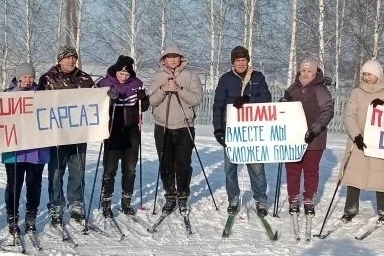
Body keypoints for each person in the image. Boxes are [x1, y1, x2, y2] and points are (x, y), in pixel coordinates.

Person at [39, 46, 94, 227]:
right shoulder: (47, 79)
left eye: (73, 58)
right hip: (57, 135)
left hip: (79, 134)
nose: (71, 61)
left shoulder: (85, 79)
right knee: (56, 172)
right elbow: (38, 104)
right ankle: (55, 205)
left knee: (77, 171)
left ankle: (76, 204)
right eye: (67, 58)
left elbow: (96, 101)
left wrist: (108, 96)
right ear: (59, 60)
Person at [213, 45, 271, 217]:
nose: (240, 63)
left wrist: (248, 99)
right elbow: (218, 106)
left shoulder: (257, 77)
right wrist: (218, 130)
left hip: (253, 130)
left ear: (248, 61)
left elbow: (266, 99)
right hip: (231, 130)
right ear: (233, 62)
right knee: (230, 168)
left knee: (256, 168)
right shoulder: (225, 79)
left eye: (243, 60)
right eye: (237, 60)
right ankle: (234, 198)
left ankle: (260, 199)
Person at [341, 59, 384, 223]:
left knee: (381, 174)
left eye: (370, 74)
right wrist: (356, 135)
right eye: (364, 74)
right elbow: (349, 115)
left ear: (378, 75)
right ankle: (350, 208)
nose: (366, 77)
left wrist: (382, 107)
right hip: (359, 138)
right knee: (354, 173)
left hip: (380, 139)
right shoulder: (357, 93)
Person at [148, 44, 204, 215]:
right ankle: (170, 195)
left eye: (175, 56)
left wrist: (179, 89)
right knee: (165, 164)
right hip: (162, 126)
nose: (172, 59)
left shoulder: (191, 75)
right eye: (169, 56)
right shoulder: (158, 77)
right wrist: (164, 89)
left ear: (181, 58)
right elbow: (151, 101)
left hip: (184, 126)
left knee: (183, 163)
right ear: (164, 59)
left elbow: (197, 99)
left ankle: (183, 195)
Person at [95, 55, 149, 216]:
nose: (124, 77)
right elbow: (96, 106)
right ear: (115, 71)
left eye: (126, 74)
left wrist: (144, 99)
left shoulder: (137, 84)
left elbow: (144, 108)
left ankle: (126, 202)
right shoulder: (104, 83)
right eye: (121, 74)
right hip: (113, 130)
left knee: (130, 169)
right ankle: (106, 202)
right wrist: (109, 100)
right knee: (110, 169)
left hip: (132, 130)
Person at [282, 57, 334, 216]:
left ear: (315, 72)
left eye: (309, 71)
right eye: (303, 70)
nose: (305, 74)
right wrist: (282, 103)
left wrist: (314, 130)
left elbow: (328, 111)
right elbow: (284, 109)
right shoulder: (293, 88)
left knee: (311, 170)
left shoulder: (321, 90)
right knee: (293, 169)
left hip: (314, 138)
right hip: (293, 137)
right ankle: (293, 198)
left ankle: (309, 199)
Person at [1, 62, 48, 236]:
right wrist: (19, 91)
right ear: (18, 78)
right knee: (14, 186)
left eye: (30, 77)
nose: (28, 80)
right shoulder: (8, 94)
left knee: (34, 185)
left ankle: (31, 218)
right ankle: (12, 218)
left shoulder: (41, 94)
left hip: (37, 149)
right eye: (24, 77)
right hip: (15, 150)